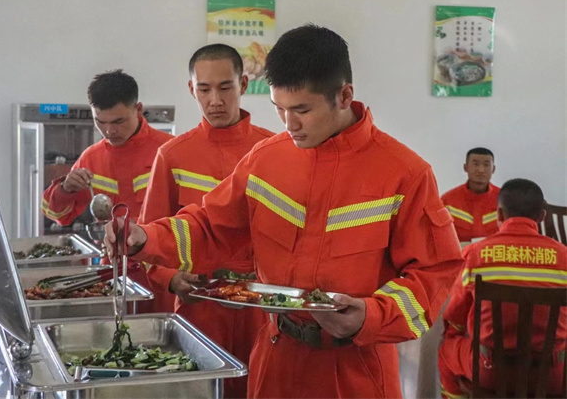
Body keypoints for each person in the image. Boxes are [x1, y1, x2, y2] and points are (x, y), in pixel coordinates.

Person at [105, 24, 462, 398]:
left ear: (344, 95)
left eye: (302, 110)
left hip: (356, 369)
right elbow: (211, 226)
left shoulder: (403, 174)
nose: (290, 125)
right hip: (277, 357)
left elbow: (434, 273)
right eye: (279, 109)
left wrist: (372, 316)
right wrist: (144, 238)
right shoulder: (266, 160)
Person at [138, 43, 274, 398]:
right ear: (191, 89)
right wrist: (170, 278)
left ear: (243, 84)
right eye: (204, 89)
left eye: (225, 87)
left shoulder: (274, 151)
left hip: (262, 308)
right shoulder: (172, 155)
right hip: (200, 306)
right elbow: (149, 237)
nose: (215, 100)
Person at [42, 69, 173, 311]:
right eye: (100, 122)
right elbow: (57, 215)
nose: (109, 131)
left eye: (118, 122)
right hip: (112, 276)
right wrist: (65, 188)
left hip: (165, 278)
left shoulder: (169, 151)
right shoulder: (92, 158)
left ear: (138, 109)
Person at [438, 178, 567, 398]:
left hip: (490, 372)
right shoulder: (564, 257)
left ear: (499, 213)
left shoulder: (475, 255)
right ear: (542, 216)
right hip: (554, 376)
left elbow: (455, 318)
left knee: (445, 350)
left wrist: (457, 335)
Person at [442, 148, 499, 243]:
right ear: (465, 167)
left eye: (486, 165)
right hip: (460, 252)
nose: (481, 170)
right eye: (476, 164)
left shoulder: (505, 200)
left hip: (495, 251)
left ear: (493, 169)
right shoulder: (448, 201)